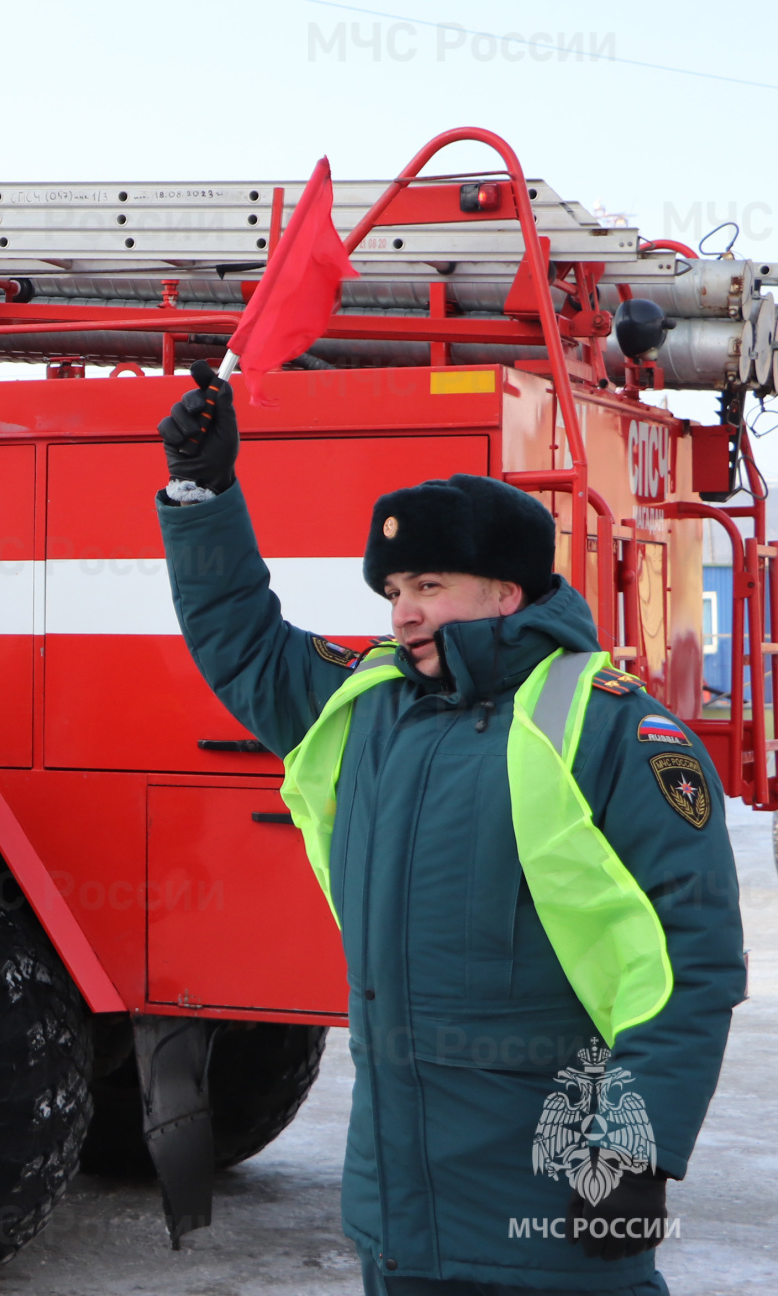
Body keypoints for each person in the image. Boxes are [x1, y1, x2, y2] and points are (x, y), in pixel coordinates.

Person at [154, 364, 745, 1294]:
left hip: (555, 1219)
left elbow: (694, 956)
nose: (404, 611)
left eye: (430, 583)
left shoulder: (615, 731)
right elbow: (243, 638)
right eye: (394, 589)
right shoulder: (371, 709)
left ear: (508, 592)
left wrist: (638, 1143)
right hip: (399, 1222)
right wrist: (203, 494)